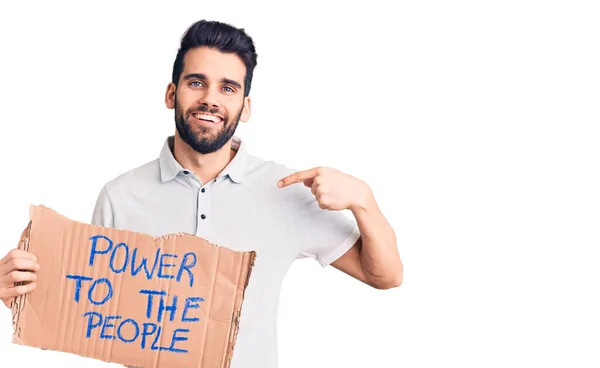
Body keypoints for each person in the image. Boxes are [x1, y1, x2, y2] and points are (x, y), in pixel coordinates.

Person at [0, 19, 402, 368]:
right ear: (172, 95)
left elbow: (383, 275)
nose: (211, 98)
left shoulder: (287, 192)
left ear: (245, 106)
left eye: (228, 88)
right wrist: (20, 295)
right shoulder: (120, 196)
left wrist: (364, 200)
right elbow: (90, 314)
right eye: (197, 83)